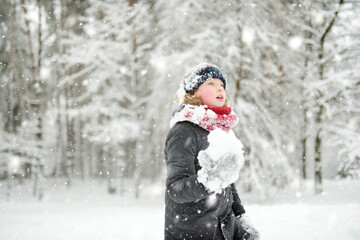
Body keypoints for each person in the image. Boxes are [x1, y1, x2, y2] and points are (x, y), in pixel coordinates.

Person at [164, 63, 260, 240]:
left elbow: (228, 183)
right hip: (192, 232)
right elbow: (175, 189)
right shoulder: (183, 132)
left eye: (222, 85)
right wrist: (210, 179)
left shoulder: (219, 130)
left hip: (224, 230)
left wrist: (241, 219)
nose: (219, 88)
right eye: (211, 83)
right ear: (195, 92)